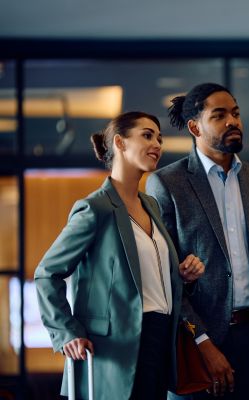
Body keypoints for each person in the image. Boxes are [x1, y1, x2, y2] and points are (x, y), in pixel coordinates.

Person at [34, 111, 205, 400]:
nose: (157, 144)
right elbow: (46, 274)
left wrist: (184, 275)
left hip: (159, 342)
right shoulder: (95, 208)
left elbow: (149, 280)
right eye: (147, 135)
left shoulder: (151, 205)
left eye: (160, 138)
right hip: (116, 350)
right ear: (120, 143)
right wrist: (67, 332)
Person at [146, 83, 249, 400]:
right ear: (194, 127)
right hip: (197, 342)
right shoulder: (167, 183)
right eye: (219, 115)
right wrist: (201, 340)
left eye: (236, 113)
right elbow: (164, 278)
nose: (233, 121)